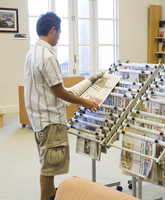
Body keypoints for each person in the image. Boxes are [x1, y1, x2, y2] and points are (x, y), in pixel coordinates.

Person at [24, 12, 99, 200]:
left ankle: (51, 194)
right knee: (49, 167)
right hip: (50, 120)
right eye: (59, 32)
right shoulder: (48, 56)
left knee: (47, 162)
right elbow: (59, 92)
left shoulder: (32, 52)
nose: (59, 36)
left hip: (38, 117)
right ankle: (46, 197)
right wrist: (85, 101)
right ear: (52, 30)